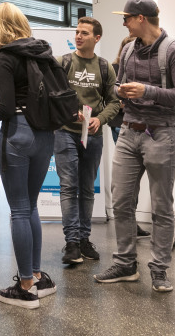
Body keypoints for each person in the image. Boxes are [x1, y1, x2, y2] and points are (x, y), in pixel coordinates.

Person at [94, 0, 175, 294]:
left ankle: (160, 269)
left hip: (162, 134)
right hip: (128, 132)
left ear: (141, 19)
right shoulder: (127, 50)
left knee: (161, 206)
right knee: (122, 200)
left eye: (126, 17)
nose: (122, 22)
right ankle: (125, 263)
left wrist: (147, 90)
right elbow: (118, 85)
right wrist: (121, 91)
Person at [0, 3, 57, 310]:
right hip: (45, 134)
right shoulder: (44, 53)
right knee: (31, 205)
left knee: (19, 209)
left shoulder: (6, 56)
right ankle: (38, 276)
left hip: (19, 133)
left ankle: (25, 286)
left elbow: (7, 108)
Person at [57, 17, 120, 265]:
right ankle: (71, 243)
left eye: (85, 33)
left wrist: (101, 119)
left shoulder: (105, 67)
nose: (79, 36)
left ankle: (84, 239)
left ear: (97, 38)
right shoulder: (63, 63)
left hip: (92, 135)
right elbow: (53, 96)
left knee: (86, 189)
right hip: (64, 132)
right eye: (77, 32)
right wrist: (68, 112)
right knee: (68, 187)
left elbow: (114, 102)